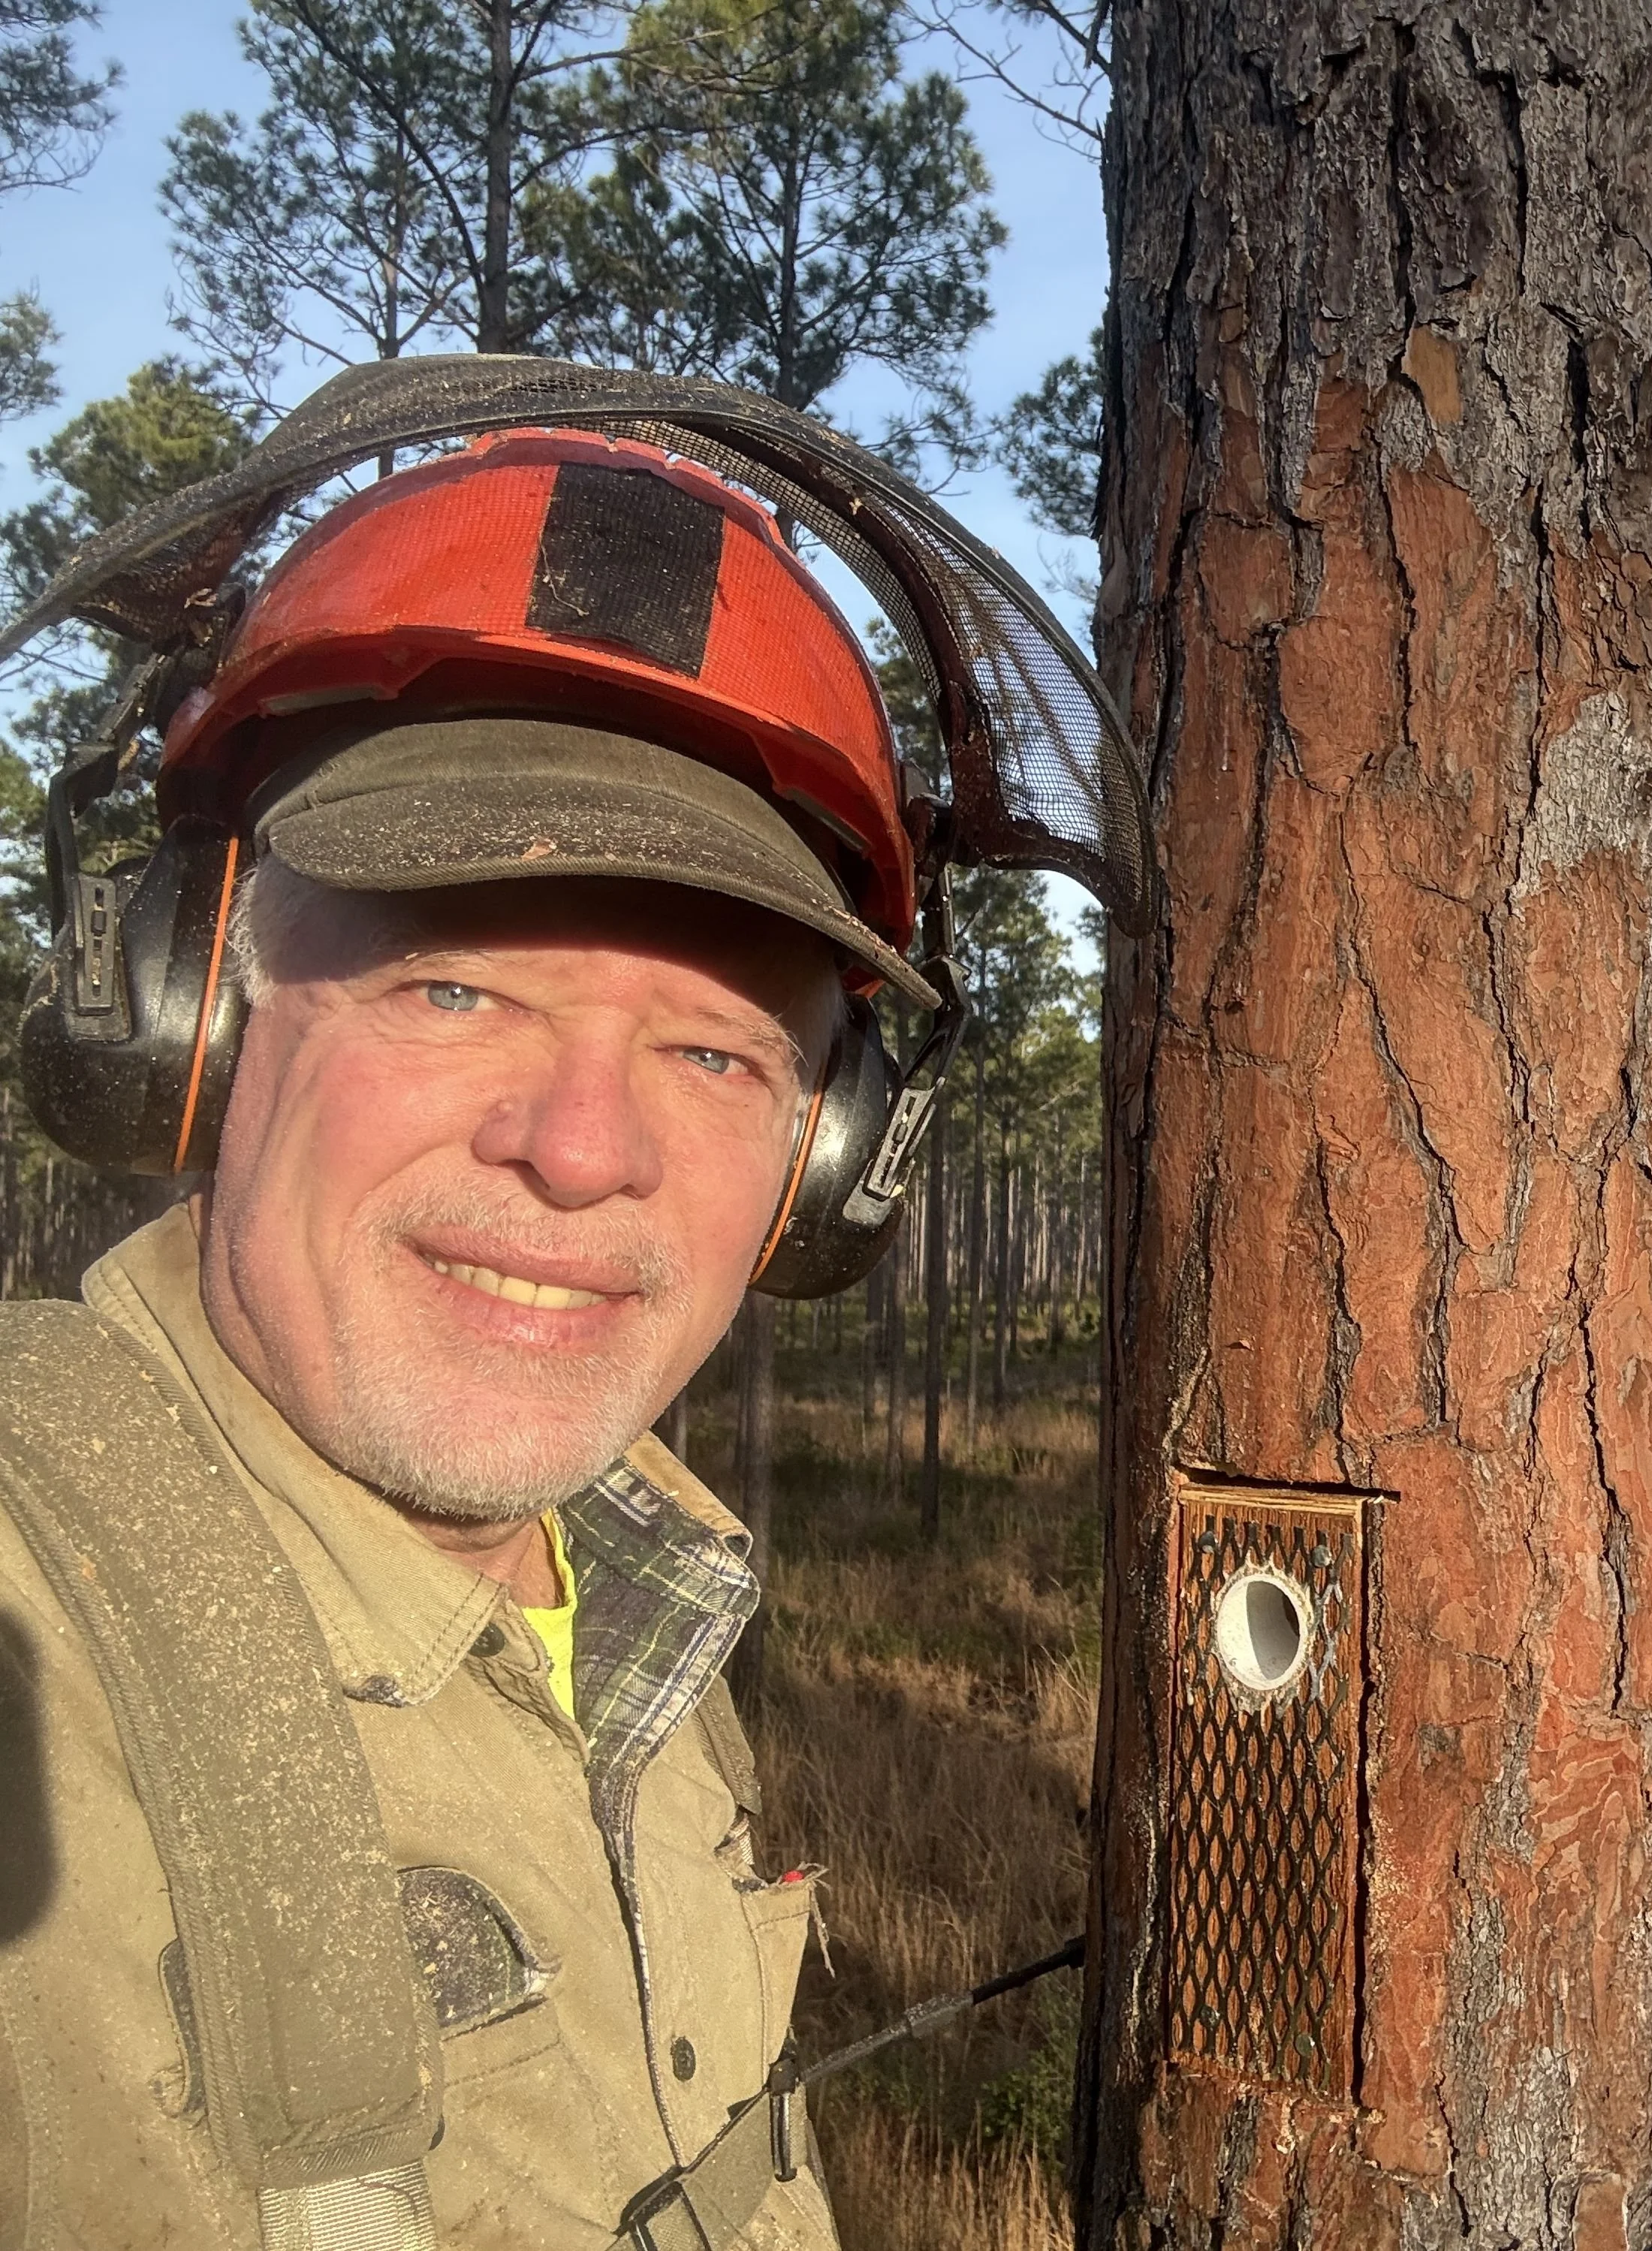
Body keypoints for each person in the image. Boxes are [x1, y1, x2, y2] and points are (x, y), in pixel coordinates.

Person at [0, 427, 950, 2249]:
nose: (582, 1152)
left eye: (713, 1050)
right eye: (452, 985)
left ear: (824, 1169)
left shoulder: (638, 1597)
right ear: (197, 1014)